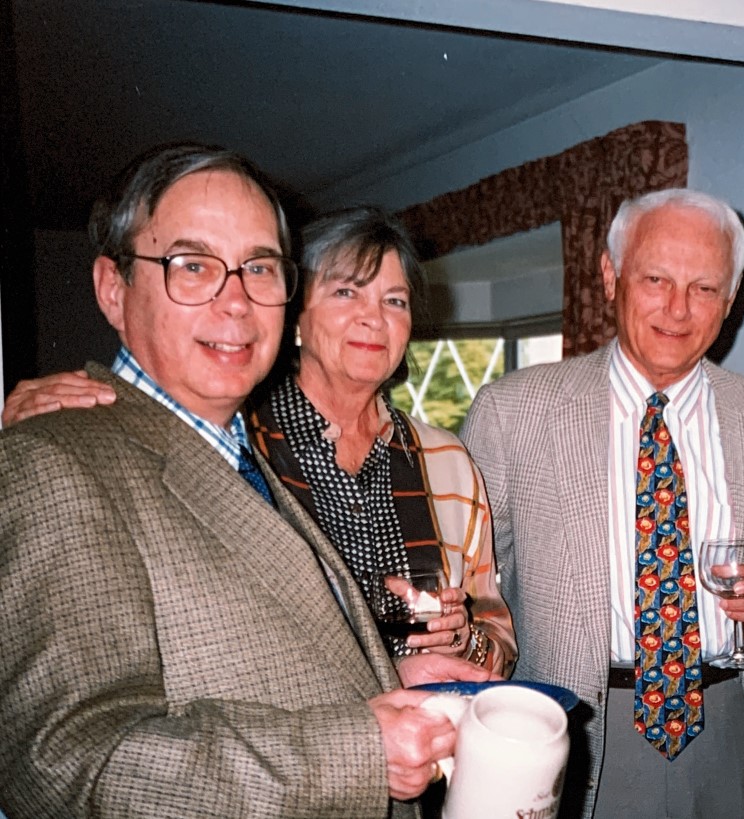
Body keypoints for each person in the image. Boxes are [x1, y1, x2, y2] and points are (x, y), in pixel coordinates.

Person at [0, 143, 491, 819]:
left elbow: (276, 657)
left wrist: (394, 679)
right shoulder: (54, 463)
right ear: (114, 290)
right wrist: (358, 748)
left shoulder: (236, 452)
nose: (235, 302)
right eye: (193, 265)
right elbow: (63, 767)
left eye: (258, 267)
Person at [3, 208, 516, 678]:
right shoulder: (230, 438)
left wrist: (464, 639)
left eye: (394, 300)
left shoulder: (446, 460)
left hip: (430, 759)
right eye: (345, 292)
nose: (373, 317)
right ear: (293, 318)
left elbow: (499, 640)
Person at [459, 188, 744, 819]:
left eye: (705, 288)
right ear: (610, 276)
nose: (678, 308)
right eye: (655, 278)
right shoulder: (510, 413)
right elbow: (471, 591)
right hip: (572, 735)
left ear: (731, 298)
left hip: (735, 733)